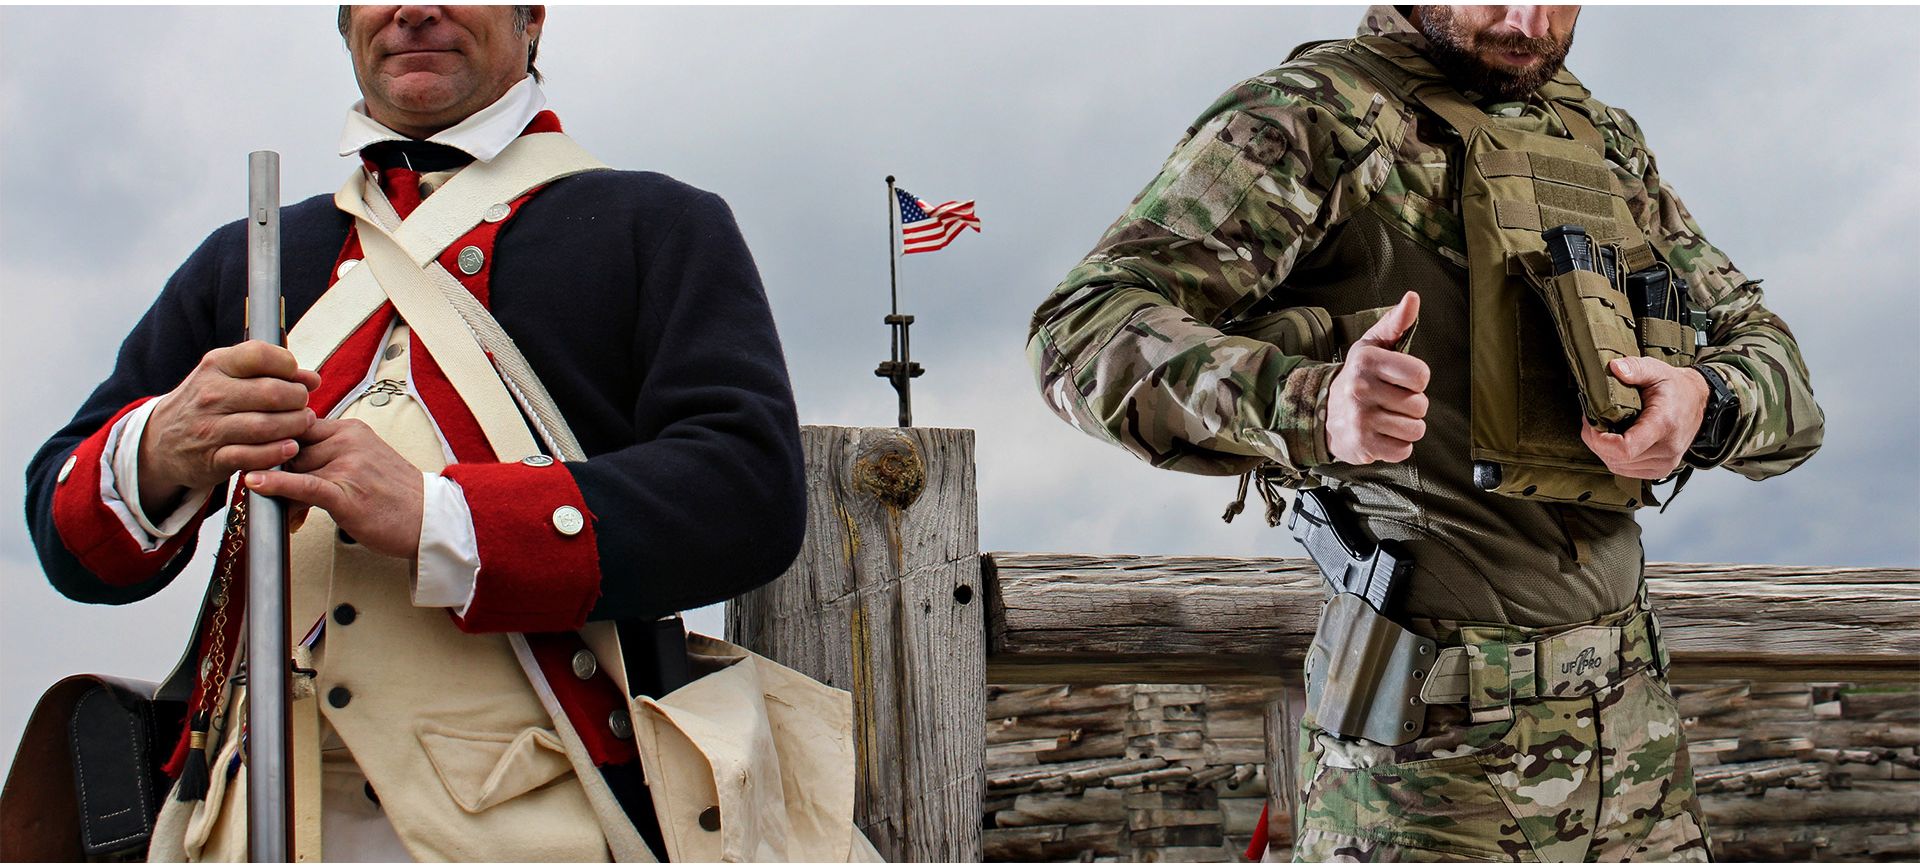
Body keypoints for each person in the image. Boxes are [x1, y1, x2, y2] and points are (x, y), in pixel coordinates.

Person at [22, 5, 850, 861]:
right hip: (249, 821)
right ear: (345, 25)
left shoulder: (657, 224)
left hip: (540, 815)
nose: (415, 9)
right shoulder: (248, 257)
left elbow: (746, 492)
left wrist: (440, 517)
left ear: (531, 19)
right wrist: (161, 447)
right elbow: (63, 534)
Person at [1027, 5, 1822, 862]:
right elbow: (1081, 331)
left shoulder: (1599, 138)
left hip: (1637, 751)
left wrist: (1707, 401)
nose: (1526, 20)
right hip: (1428, 768)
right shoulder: (1313, 115)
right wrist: (1309, 402)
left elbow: (1776, 361)